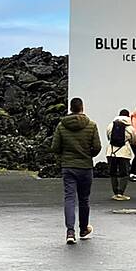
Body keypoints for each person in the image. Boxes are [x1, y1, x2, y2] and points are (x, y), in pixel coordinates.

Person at [50, 97, 102, 245]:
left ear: (71, 108)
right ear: (82, 108)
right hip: (85, 167)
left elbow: (55, 147)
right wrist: (88, 155)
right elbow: (97, 147)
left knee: (70, 198)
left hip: (68, 167)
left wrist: (64, 156)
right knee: (84, 199)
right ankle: (84, 229)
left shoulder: (61, 126)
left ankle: (70, 232)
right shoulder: (91, 125)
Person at [106, 109, 133, 201]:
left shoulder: (111, 125)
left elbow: (108, 137)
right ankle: (121, 193)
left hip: (111, 152)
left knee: (113, 173)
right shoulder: (129, 128)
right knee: (124, 173)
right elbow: (134, 140)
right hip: (124, 153)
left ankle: (115, 192)